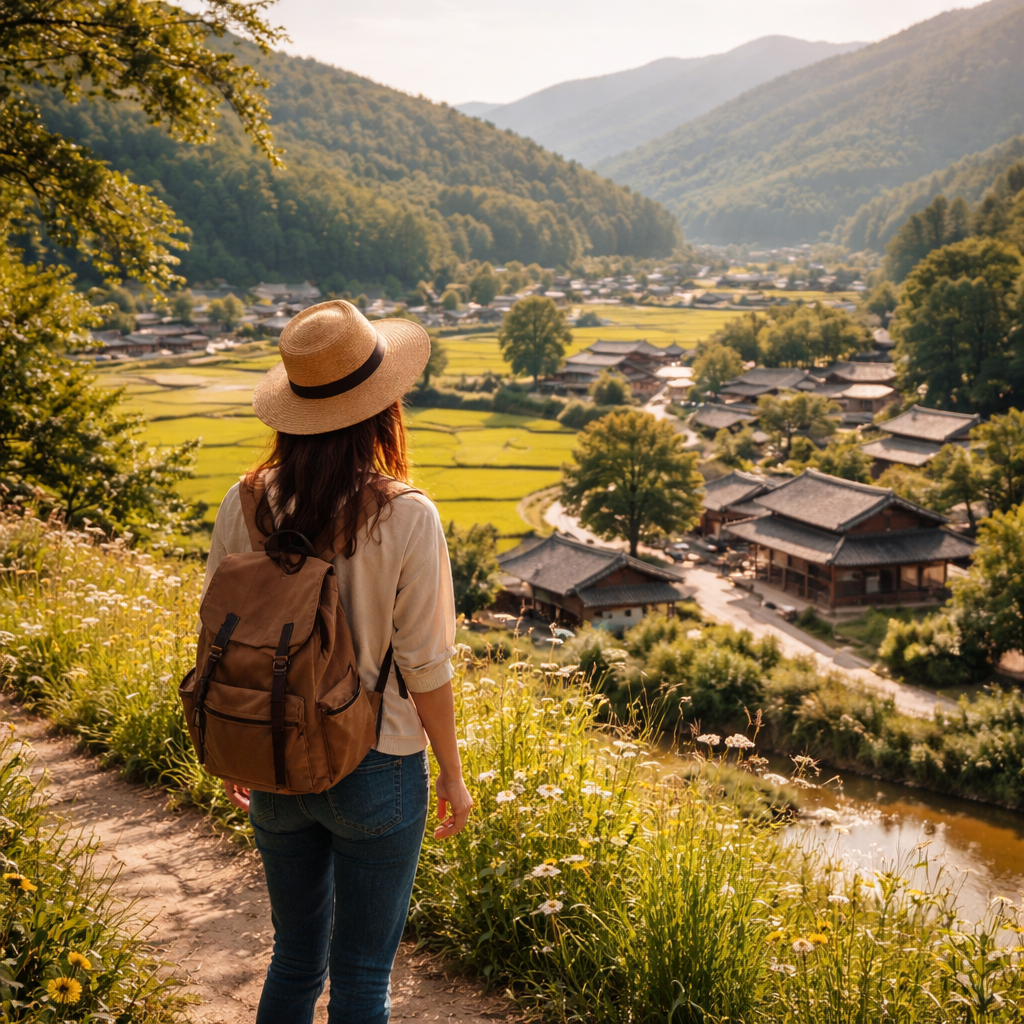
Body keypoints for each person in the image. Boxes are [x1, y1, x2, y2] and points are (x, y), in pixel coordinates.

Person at [200, 299, 473, 1024]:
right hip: (378, 763)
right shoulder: (405, 514)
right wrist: (451, 772)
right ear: (381, 408)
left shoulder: (244, 501)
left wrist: (235, 738)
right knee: (362, 976)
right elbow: (425, 665)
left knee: (294, 958)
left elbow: (219, 632)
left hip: (274, 751)